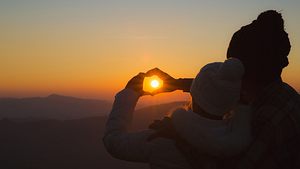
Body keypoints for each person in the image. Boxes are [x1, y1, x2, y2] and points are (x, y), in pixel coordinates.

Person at [146, 10, 300, 169]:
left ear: (247, 71)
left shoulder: (268, 120)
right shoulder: (280, 94)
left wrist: (182, 137)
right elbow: (225, 88)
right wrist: (175, 83)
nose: (227, 74)